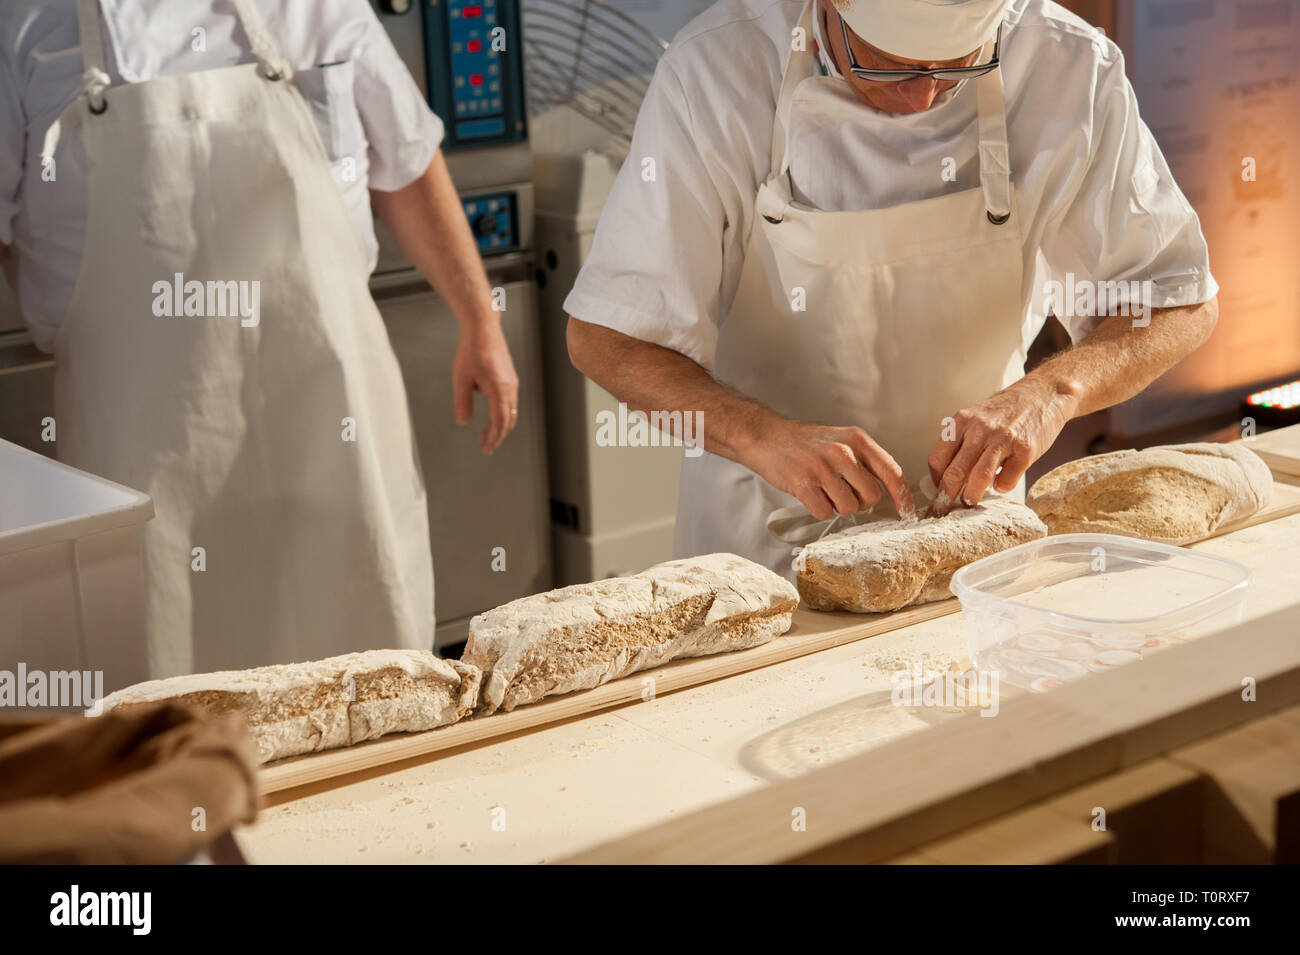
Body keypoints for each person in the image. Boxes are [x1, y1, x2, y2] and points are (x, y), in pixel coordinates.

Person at [564, 0, 1219, 576]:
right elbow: (608, 337)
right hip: (763, 553)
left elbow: (1175, 297)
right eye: (888, 66)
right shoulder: (717, 69)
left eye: (958, 68)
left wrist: (1051, 392)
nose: (923, 98)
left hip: (972, 545)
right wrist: (761, 435)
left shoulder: (1066, 64)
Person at [0, 0, 519, 675]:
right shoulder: (24, 26)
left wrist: (481, 321)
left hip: (331, 429)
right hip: (139, 457)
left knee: (371, 671)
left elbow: (408, 162)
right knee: (166, 701)